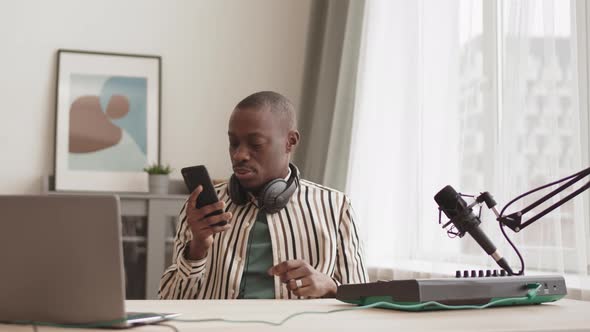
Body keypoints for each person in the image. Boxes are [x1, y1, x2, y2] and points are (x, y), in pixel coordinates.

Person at [158, 91, 367, 299]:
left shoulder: (336, 208)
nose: (239, 155)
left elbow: (362, 304)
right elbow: (169, 301)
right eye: (233, 143)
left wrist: (331, 287)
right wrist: (197, 248)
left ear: (290, 142)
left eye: (255, 144)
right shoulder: (200, 210)